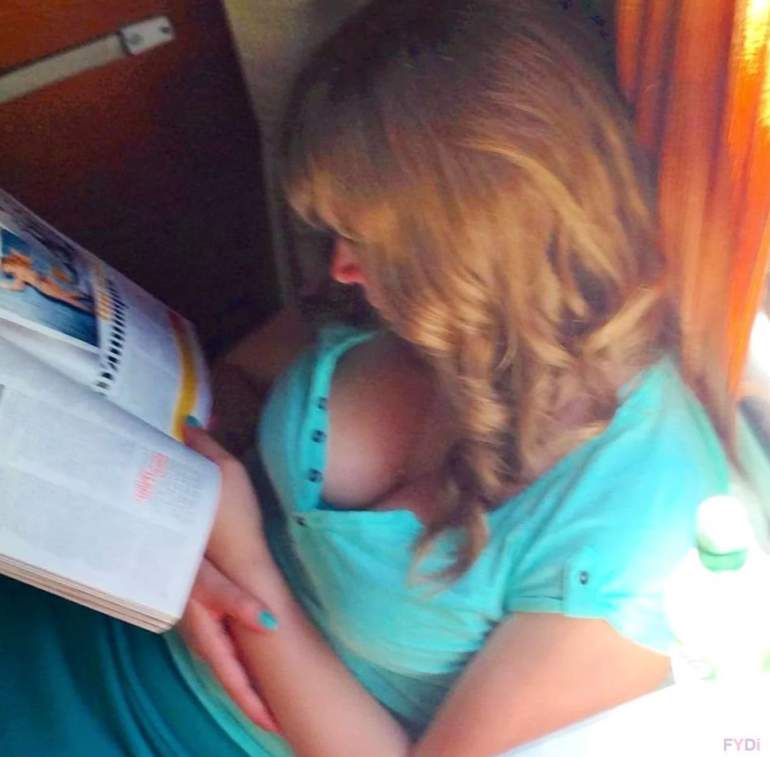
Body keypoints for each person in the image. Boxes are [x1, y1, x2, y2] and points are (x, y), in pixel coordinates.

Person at [0, 1, 732, 755]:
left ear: (486, 238)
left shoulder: (641, 522)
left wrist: (243, 564)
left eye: (368, 240)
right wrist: (180, 525)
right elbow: (241, 379)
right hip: (124, 591)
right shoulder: (395, 305)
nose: (341, 266)